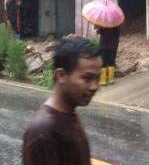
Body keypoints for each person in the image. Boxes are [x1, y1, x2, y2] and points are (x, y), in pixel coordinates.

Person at [22, 37, 102, 165]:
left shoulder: (68, 113)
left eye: (97, 78)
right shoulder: (43, 132)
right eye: (87, 78)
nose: (94, 86)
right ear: (61, 76)